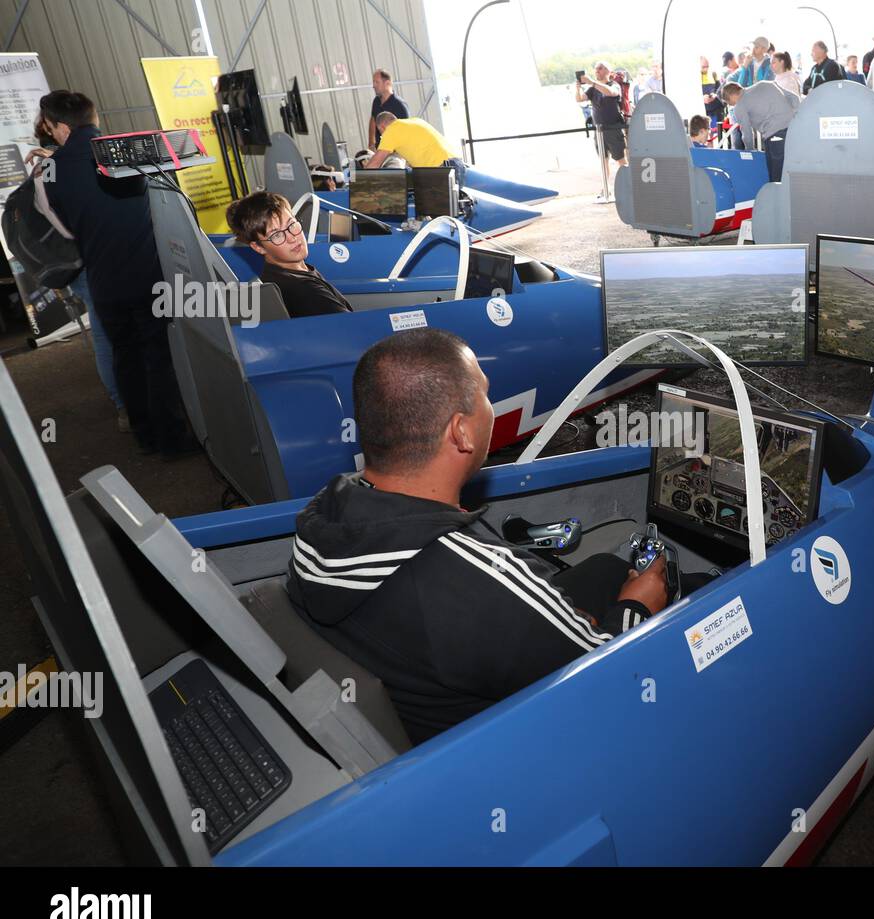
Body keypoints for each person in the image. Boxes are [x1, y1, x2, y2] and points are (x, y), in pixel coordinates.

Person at [285, 329, 671, 744]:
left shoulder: (324, 515)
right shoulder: (478, 581)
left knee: (602, 570)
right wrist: (637, 607)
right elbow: (602, 674)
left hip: (418, 687)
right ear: (461, 433)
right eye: (485, 396)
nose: (490, 406)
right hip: (508, 738)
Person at [41, 90, 195, 458]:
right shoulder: (127, 150)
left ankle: (143, 435)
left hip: (103, 280)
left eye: (50, 128)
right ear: (93, 119)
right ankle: (172, 440)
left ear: (62, 127)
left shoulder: (52, 170)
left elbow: (63, 224)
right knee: (159, 357)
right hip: (147, 274)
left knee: (125, 356)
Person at [28, 113, 126, 433]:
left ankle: (127, 400)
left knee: (110, 331)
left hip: (90, 260)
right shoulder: (51, 164)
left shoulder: (55, 161)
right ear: (56, 130)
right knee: (106, 333)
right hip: (85, 262)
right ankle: (124, 404)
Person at [226, 192, 353, 319]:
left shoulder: (287, 272)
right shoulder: (304, 291)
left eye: (291, 224)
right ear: (258, 247)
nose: (292, 237)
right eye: (277, 235)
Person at [722, 81, 798, 180]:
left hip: (775, 137)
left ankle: (777, 195)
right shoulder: (765, 84)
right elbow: (794, 97)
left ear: (731, 97)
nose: (730, 105)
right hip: (794, 130)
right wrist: (795, 116)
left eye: (728, 102)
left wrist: (750, 152)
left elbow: (747, 134)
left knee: (776, 177)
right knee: (793, 170)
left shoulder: (740, 106)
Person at [574, 62, 628, 187]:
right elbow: (580, 99)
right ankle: (605, 188)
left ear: (608, 72)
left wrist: (592, 82)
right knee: (603, 161)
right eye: (596, 68)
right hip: (599, 131)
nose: (596, 70)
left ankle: (628, 186)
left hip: (613, 128)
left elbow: (611, 93)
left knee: (621, 159)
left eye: (600, 68)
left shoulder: (614, 85)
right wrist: (578, 88)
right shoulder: (593, 88)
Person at [368, 113, 457, 172]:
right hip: (455, 163)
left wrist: (359, 180)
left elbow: (375, 163)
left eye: (381, 133)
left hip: (442, 170)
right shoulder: (414, 121)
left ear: (382, 127)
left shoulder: (391, 131)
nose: (382, 136)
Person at [368, 69, 409, 151]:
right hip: (379, 149)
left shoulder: (400, 105)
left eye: (377, 82)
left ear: (387, 83)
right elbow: (373, 120)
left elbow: (406, 133)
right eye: (373, 82)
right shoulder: (376, 101)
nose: (373, 85)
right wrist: (371, 144)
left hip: (395, 153)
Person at [702, 56, 725, 128]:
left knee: (717, 133)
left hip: (715, 111)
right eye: (703, 67)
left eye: (707, 66)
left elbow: (720, 90)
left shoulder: (713, 74)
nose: (706, 69)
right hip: (703, 113)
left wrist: (714, 95)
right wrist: (701, 99)